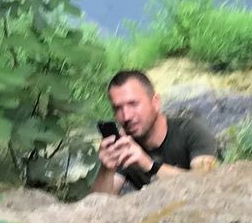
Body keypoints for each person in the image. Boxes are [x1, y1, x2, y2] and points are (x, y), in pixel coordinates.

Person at [92, 69, 221, 196]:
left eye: (133, 104)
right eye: (118, 108)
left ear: (156, 102)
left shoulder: (192, 131)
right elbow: (97, 204)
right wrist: (107, 169)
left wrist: (149, 165)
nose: (126, 116)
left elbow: (207, 184)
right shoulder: (125, 145)